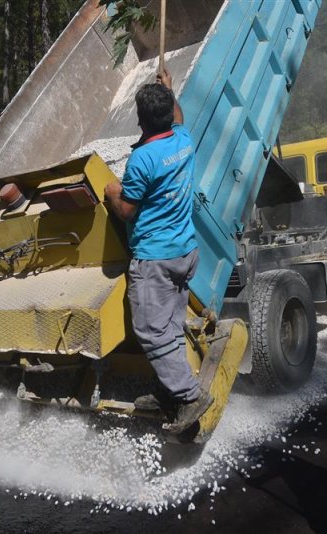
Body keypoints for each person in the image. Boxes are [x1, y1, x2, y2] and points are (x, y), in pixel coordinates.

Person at [103, 68, 212, 435]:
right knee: (170, 328)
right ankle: (169, 393)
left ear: (140, 120)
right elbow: (177, 116)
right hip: (185, 252)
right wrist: (170, 88)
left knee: (151, 330)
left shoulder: (142, 160)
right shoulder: (184, 139)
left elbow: (126, 211)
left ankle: (188, 396)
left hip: (156, 259)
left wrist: (110, 191)